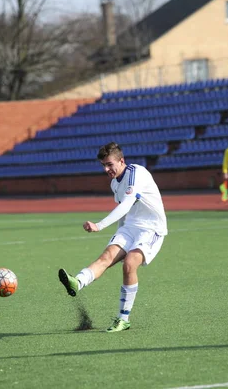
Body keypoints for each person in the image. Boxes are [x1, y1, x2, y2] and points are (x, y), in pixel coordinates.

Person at [58, 142, 168, 332]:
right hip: (129, 227)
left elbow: (126, 205)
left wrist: (99, 225)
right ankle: (77, 282)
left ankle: (123, 319)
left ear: (121, 161)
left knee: (129, 264)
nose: (107, 169)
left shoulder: (136, 173)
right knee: (106, 257)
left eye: (110, 164)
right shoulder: (114, 183)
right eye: (103, 166)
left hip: (151, 229)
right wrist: (119, 239)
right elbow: (125, 215)